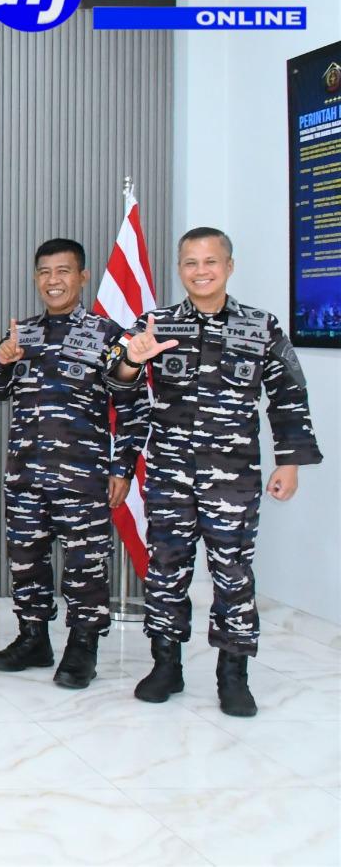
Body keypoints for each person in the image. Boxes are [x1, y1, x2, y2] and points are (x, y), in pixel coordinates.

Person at [111, 227, 323, 716]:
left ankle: (233, 675)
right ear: (179, 269)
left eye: (210, 261)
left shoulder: (260, 326)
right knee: (166, 570)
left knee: (233, 574)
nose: (200, 271)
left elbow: (289, 396)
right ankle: (166, 666)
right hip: (170, 475)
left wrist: (290, 463)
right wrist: (130, 362)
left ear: (229, 266)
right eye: (190, 262)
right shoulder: (156, 324)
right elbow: (117, 382)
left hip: (233, 477)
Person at [0, 239, 148, 688]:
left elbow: (133, 407)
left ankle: (83, 646)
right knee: (26, 561)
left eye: (63, 271)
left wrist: (122, 468)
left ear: (82, 277)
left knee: (85, 565)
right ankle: (33, 638)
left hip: (82, 477)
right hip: (25, 474)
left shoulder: (108, 335)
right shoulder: (23, 333)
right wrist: (1, 360)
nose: (53, 281)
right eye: (44, 272)